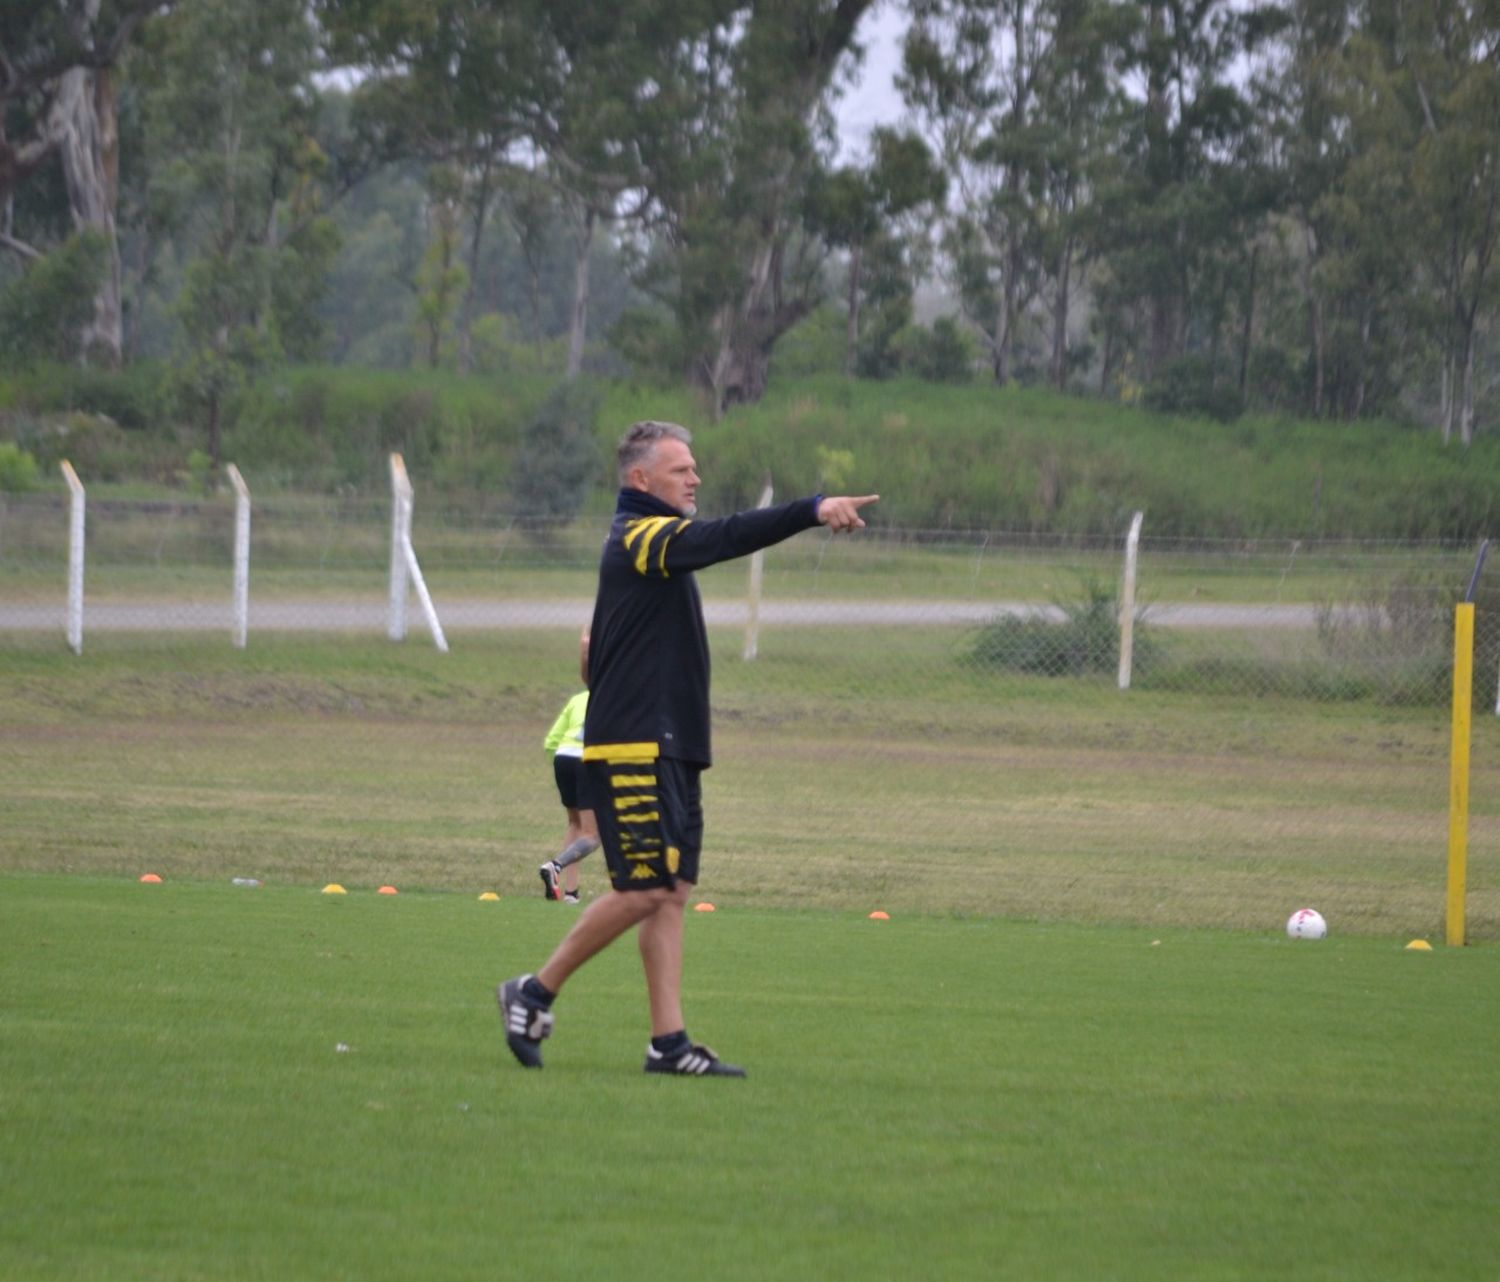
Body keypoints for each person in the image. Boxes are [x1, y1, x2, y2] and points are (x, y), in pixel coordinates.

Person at [498, 420, 877, 1076]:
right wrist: (811, 509)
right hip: (633, 749)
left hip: (669, 746)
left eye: (694, 468)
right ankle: (532, 992)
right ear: (641, 480)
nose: (695, 478)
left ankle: (667, 1044)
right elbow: (722, 537)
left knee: (668, 889)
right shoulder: (640, 536)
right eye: (681, 470)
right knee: (643, 887)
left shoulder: (650, 545)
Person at [538, 631, 599, 903]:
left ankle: (568, 892)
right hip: (589, 760)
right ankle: (555, 866)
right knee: (593, 835)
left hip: (563, 757)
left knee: (574, 824)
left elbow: (551, 740)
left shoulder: (577, 699)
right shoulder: (614, 699)